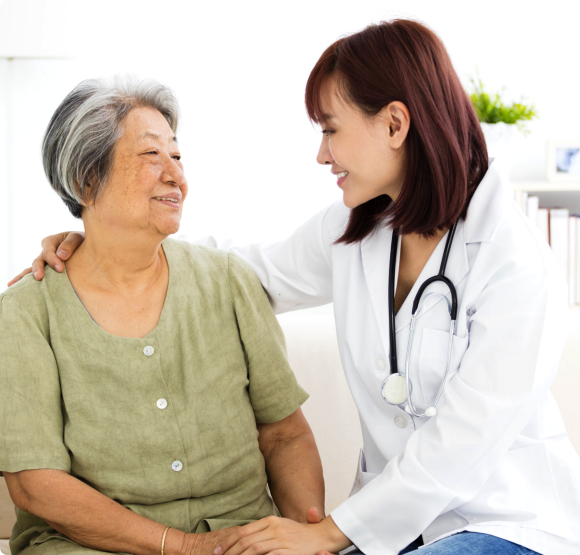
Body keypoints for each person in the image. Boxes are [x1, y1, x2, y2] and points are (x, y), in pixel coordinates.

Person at [12, 19, 580, 555]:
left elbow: (461, 446)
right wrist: (99, 242)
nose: (322, 153)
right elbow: (241, 273)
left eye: (331, 129)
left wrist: (331, 532)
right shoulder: (358, 230)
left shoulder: (516, 265)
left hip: (502, 520)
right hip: (395, 528)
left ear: (394, 124)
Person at [0, 77, 326, 555]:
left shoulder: (229, 280)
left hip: (241, 536)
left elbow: (284, 434)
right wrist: (184, 547)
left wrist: (307, 536)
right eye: (152, 156)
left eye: (178, 157)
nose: (176, 176)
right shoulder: (26, 313)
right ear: (85, 181)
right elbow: (35, 483)